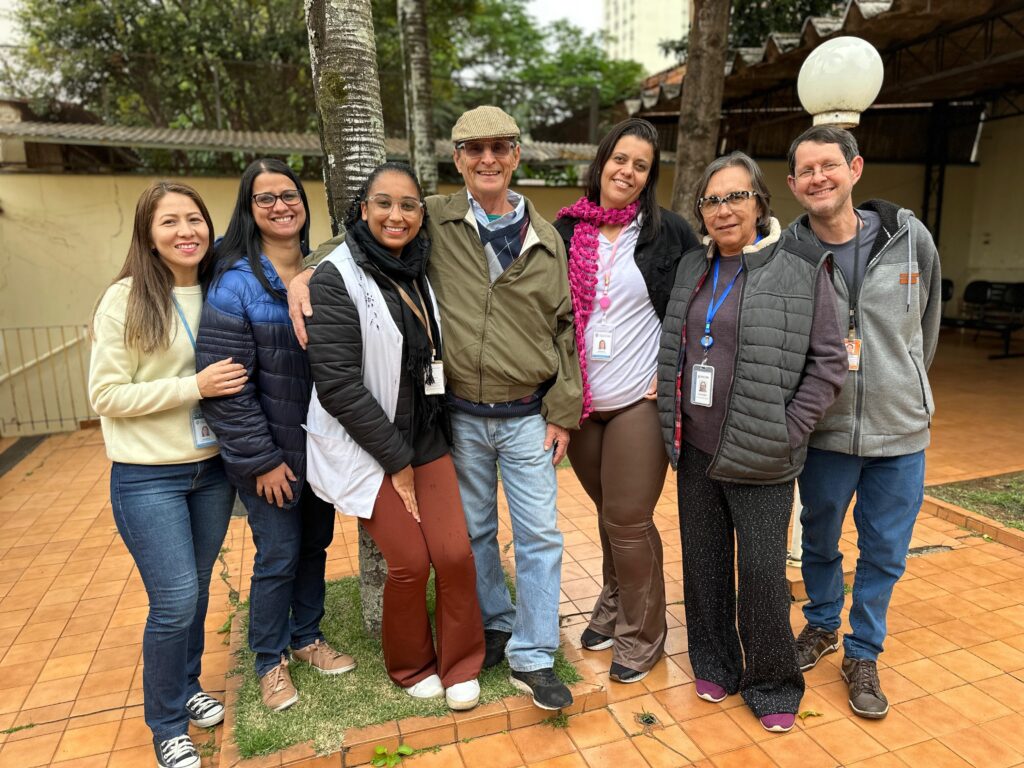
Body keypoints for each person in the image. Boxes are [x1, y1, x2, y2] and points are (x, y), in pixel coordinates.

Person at [289, 106, 583, 711]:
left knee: (540, 536)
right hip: (459, 419)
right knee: (471, 536)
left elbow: (565, 330)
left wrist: (563, 409)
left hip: (527, 415)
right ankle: (494, 625)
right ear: (458, 159)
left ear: (516, 155)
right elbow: (364, 241)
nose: (488, 159)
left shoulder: (547, 237)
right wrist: (305, 271)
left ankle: (533, 653)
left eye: (500, 147)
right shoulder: (435, 218)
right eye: (474, 149)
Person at [656, 151, 847, 732]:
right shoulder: (692, 268)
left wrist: (788, 430)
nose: (724, 210)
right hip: (696, 450)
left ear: (761, 202)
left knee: (763, 577)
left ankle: (772, 683)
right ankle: (714, 661)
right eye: (712, 200)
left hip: (764, 455)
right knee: (706, 566)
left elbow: (830, 364)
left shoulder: (801, 267)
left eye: (736, 196)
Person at [303, 162, 484, 710]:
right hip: (368, 445)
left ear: (420, 215)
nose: (396, 215)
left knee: (455, 557)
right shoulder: (336, 275)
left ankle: (461, 664)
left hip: (426, 437)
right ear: (363, 209)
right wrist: (396, 461)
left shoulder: (420, 269)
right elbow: (336, 385)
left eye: (408, 205)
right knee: (410, 562)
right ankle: (409, 665)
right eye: (384, 203)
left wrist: (418, 451)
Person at [785, 125, 942, 719]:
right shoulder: (790, 251)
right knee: (819, 541)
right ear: (795, 184)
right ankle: (822, 624)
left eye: (829, 165)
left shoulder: (909, 237)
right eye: (806, 170)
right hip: (824, 433)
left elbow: (926, 324)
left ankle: (863, 651)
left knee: (885, 551)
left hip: (900, 431)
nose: (818, 177)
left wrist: (906, 382)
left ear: (855, 169)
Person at [89, 181, 247, 768]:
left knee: (198, 588)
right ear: (149, 236)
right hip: (147, 476)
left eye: (195, 219)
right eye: (170, 223)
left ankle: (186, 685)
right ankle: (166, 721)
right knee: (175, 599)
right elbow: (105, 394)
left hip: (211, 470)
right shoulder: (127, 299)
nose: (186, 232)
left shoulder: (220, 287)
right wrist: (194, 388)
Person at [196, 158, 355, 714]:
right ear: (249, 210)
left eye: (289, 195)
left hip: (322, 447)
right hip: (269, 454)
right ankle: (269, 660)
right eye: (265, 199)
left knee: (315, 545)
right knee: (278, 552)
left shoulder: (326, 271)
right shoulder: (234, 283)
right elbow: (228, 388)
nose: (281, 206)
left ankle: (306, 636)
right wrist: (261, 460)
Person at [553, 118, 699, 684]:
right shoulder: (564, 231)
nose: (627, 171)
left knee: (628, 519)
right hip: (583, 403)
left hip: (640, 399)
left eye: (640, 165)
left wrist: (680, 365)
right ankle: (613, 605)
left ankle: (644, 634)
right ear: (601, 162)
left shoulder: (669, 233)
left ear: (649, 176)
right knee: (607, 515)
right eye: (620, 159)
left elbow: (701, 296)